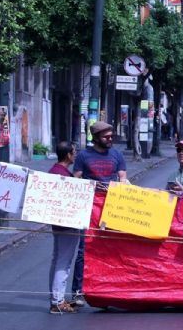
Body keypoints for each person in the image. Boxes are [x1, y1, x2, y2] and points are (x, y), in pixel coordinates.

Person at [72, 121, 127, 307]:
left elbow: (123, 178)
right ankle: (78, 291)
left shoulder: (117, 155)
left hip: (111, 207)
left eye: (111, 136)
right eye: (106, 137)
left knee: (110, 248)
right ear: (95, 138)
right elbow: (76, 180)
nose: (110, 139)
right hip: (89, 206)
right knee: (83, 249)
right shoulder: (83, 156)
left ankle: (107, 289)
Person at [48, 141, 79, 314]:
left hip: (58, 222)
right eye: (74, 152)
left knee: (57, 259)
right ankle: (57, 301)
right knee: (63, 262)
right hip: (67, 223)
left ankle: (55, 298)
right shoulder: (64, 176)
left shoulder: (54, 172)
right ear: (68, 155)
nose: (76, 155)